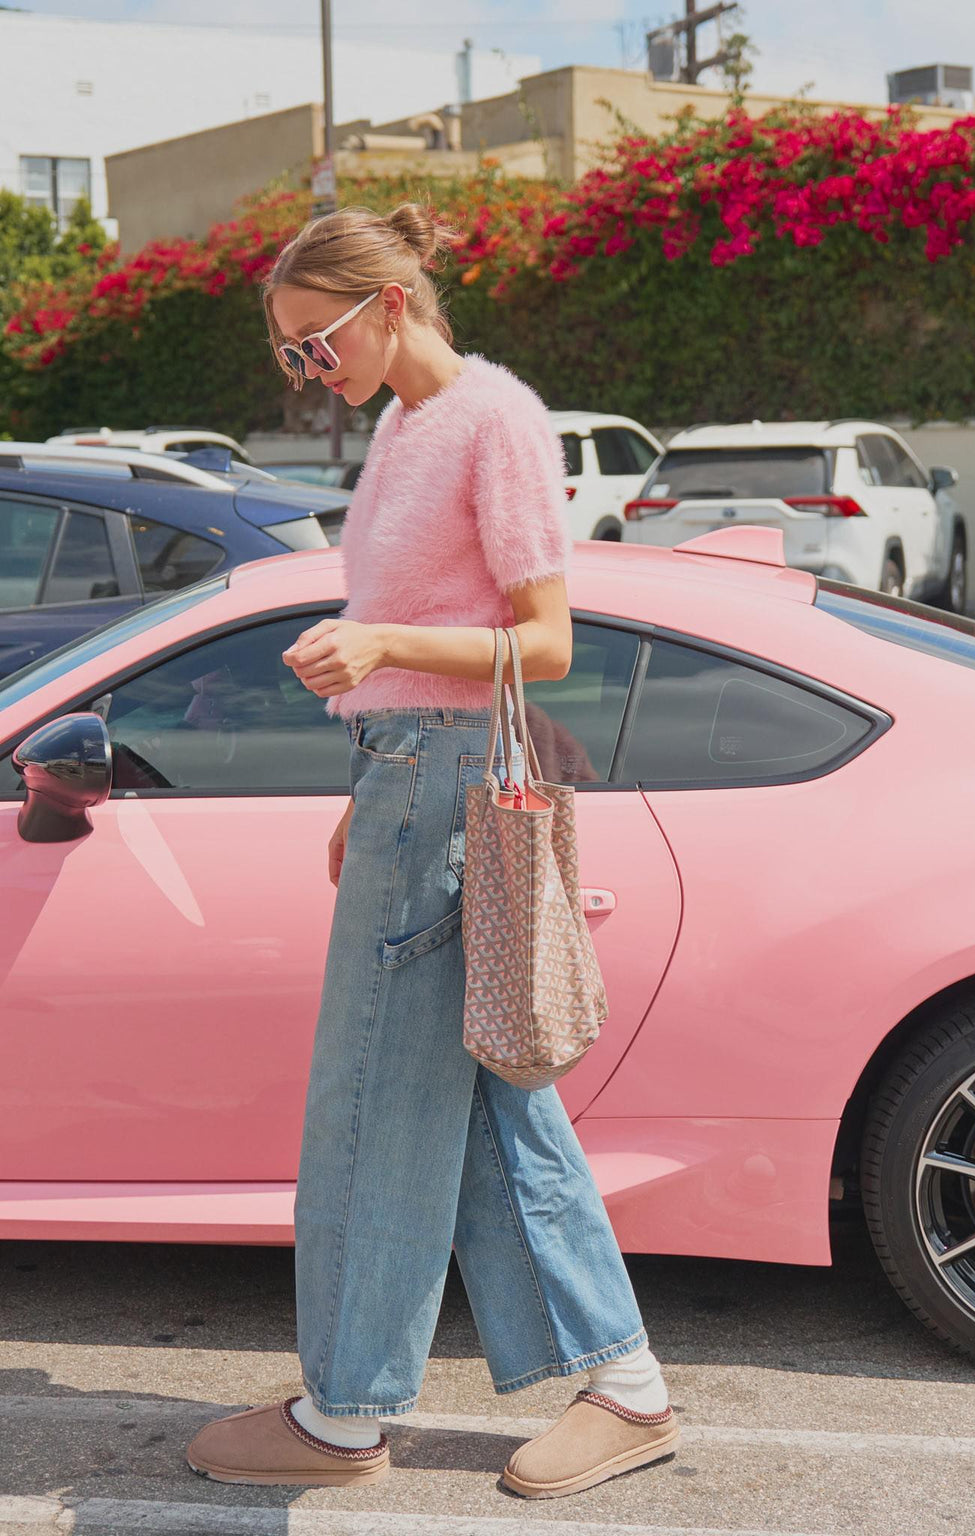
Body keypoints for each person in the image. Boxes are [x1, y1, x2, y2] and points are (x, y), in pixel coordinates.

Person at [185, 202, 679, 1499]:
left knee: (372, 1099)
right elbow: (424, 633)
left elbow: (550, 643)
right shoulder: (408, 429)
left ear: (389, 304)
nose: (307, 369)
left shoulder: (491, 420)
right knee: (484, 1104)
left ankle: (344, 1415)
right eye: (289, 351)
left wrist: (384, 652)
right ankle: (627, 1387)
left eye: (315, 340)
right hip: (409, 774)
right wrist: (370, 767)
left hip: (448, 785)